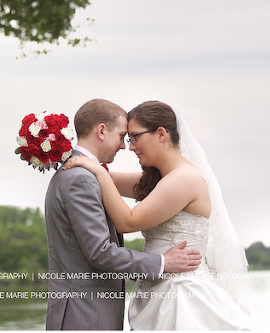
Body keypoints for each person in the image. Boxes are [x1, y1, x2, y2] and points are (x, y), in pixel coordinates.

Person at [63, 100, 253, 330]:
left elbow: (127, 221)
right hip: (156, 293)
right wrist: (58, 154)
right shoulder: (159, 181)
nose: (130, 147)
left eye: (134, 137)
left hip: (182, 294)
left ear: (161, 134)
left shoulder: (184, 179)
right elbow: (93, 173)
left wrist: (99, 173)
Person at [44, 98, 203, 330]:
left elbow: (111, 182)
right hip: (85, 313)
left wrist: (96, 169)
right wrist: (162, 262)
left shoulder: (86, 173)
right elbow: (100, 252)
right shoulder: (81, 178)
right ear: (101, 131)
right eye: (122, 136)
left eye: (132, 138)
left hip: (96, 309)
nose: (125, 146)